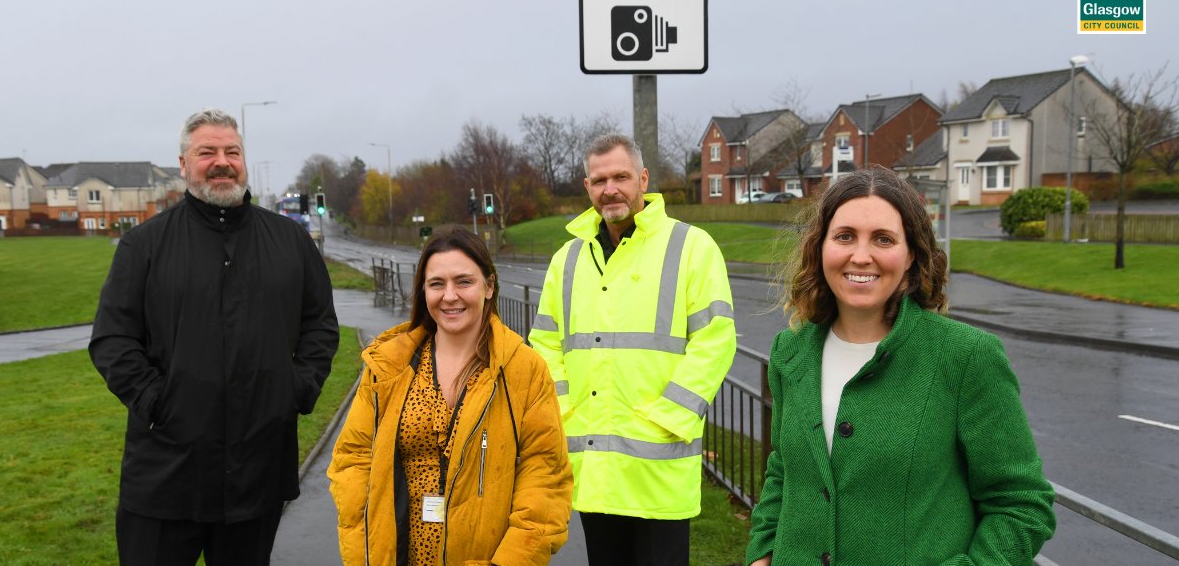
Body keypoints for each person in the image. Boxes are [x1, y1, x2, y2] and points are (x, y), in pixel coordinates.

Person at [745, 167, 1055, 565]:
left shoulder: (964, 357)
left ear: (911, 255)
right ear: (820, 247)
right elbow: (784, 472)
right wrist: (764, 552)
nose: (861, 255)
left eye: (883, 239)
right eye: (844, 236)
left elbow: (1022, 505)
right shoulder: (791, 353)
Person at [89, 109, 340, 565]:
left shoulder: (290, 241)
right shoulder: (144, 246)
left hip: (257, 475)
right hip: (165, 476)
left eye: (232, 152)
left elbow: (320, 325)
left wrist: (296, 389)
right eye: (207, 152)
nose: (222, 162)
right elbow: (113, 339)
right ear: (184, 164)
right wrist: (157, 403)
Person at [528, 134, 737, 565]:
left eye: (621, 176)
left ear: (643, 179)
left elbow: (715, 339)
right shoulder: (566, 260)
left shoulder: (692, 248)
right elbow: (544, 344)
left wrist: (669, 416)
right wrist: (562, 410)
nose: (610, 189)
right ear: (587, 187)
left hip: (657, 468)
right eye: (600, 179)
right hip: (592, 470)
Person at [328, 226, 572, 565]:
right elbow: (352, 461)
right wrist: (362, 551)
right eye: (437, 284)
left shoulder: (524, 371)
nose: (450, 296)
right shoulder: (389, 368)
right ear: (423, 291)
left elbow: (545, 478)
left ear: (489, 286)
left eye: (464, 281)